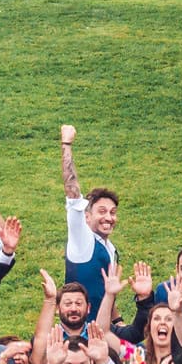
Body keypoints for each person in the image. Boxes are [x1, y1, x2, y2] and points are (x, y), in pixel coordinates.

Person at [59, 124, 119, 309]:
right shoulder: (82, 240)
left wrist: (118, 320)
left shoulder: (110, 248)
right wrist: (66, 144)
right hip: (80, 325)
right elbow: (72, 192)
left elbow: (104, 292)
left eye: (112, 212)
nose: (108, 218)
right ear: (86, 217)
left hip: (103, 324)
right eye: (101, 211)